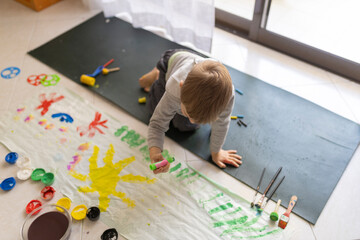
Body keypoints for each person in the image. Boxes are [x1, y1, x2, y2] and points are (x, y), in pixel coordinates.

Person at [139, 49, 242, 174]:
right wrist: (155, 152)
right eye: (189, 114)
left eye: (199, 119)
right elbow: (157, 123)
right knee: (153, 108)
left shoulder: (227, 97)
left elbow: (221, 124)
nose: (192, 120)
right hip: (170, 64)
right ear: (182, 89)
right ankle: (157, 74)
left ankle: (163, 81)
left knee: (185, 126)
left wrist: (216, 152)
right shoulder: (175, 87)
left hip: (192, 68)